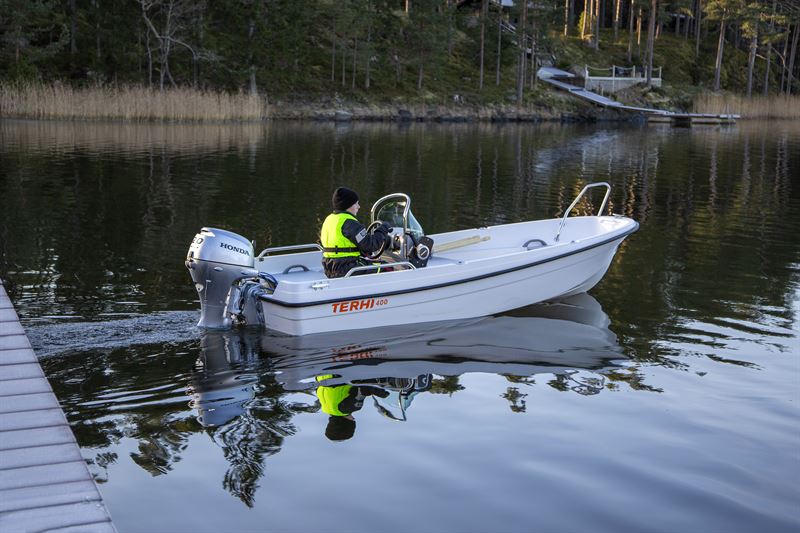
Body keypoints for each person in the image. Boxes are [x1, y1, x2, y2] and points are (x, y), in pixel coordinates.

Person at [320, 187, 391, 278]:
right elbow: (371, 245)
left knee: (375, 263)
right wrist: (383, 229)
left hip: (330, 266)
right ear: (348, 205)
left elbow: (345, 244)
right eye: (356, 203)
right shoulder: (349, 223)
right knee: (387, 267)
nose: (358, 206)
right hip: (347, 267)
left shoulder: (330, 219)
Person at [315, 375, 389, 441]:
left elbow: (364, 388)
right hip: (325, 374)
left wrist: (379, 392)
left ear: (346, 423)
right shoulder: (325, 406)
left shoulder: (349, 408)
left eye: (352, 420)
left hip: (343, 372)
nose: (353, 418)